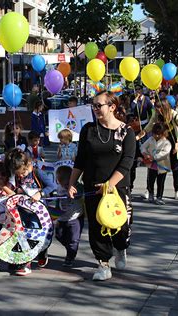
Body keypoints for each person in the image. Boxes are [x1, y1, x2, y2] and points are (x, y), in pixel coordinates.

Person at [69, 90, 135, 281]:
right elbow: (80, 159)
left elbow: (127, 162)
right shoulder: (88, 130)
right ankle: (103, 264)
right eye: (93, 105)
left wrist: (109, 185)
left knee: (121, 226)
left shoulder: (126, 132)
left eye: (99, 105)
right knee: (97, 227)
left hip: (118, 188)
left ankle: (120, 248)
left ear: (112, 107)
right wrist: (72, 183)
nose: (95, 109)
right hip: (92, 186)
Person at [5, 148, 57, 275]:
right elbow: (19, 189)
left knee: (37, 235)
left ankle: (42, 252)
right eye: (18, 175)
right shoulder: (18, 176)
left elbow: (52, 186)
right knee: (25, 235)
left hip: (38, 213)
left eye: (22, 173)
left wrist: (41, 193)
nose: (21, 176)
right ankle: (25, 263)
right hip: (24, 210)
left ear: (28, 165)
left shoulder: (37, 173)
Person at [137, 98, 178, 200]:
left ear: (164, 108)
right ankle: (149, 190)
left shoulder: (174, 115)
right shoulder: (156, 115)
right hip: (161, 145)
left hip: (174, 144)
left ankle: (177, 191)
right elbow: (148, 127)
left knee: (176, 168)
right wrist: (138, 136)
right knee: (154, 169)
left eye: (158, 109)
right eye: (156, 109)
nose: (156, 111)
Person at [54, 165, 84, 267]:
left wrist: (74, 193)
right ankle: (69, 247)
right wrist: (56, 213)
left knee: (74, 239)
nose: (66, 186)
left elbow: (81, 194)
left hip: (75, 218)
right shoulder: (59, 188)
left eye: (68, 183)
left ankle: (70, 257)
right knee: (59, 235)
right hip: (63, 218)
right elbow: (57, 201)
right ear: (58, 181)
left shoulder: (77, 186)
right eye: (63, 184)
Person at [140, 123, 172, 205]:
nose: (156, 136)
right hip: (151, 165)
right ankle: (151, 194)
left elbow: (165, 153)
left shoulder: (166, 142)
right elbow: (143, 147)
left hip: (162, 165)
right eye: (154, 134)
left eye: (158, 134)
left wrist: (154, 157)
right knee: (150, 180)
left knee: (161, 182)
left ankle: (159, 197)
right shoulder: (150, 139)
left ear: (163, 134)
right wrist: (145, 153)